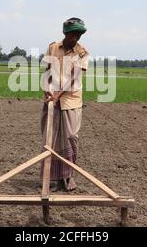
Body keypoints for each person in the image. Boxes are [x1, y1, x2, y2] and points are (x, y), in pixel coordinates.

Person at [41, 17, 90, 192]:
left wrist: (58, 94)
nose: (75, 38)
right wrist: (46, 90)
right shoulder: (53, 47)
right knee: (50, 137)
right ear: (65, 33)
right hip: (52, 100)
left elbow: (74, 78)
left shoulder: (82, 53)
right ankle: (51, 178)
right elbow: (47, 71)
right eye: (72, 34)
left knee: (71, 137)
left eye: (78, 35)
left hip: (71, 100)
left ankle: (68, 177)